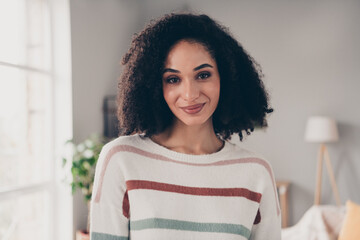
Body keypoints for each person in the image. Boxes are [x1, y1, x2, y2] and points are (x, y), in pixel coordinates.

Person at [89, 13, 281, 240]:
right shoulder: (121, 159)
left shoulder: (256, 172)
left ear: (226, 78)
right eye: (173, 79)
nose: (190, 94)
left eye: (203, 75)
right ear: (153, 85)